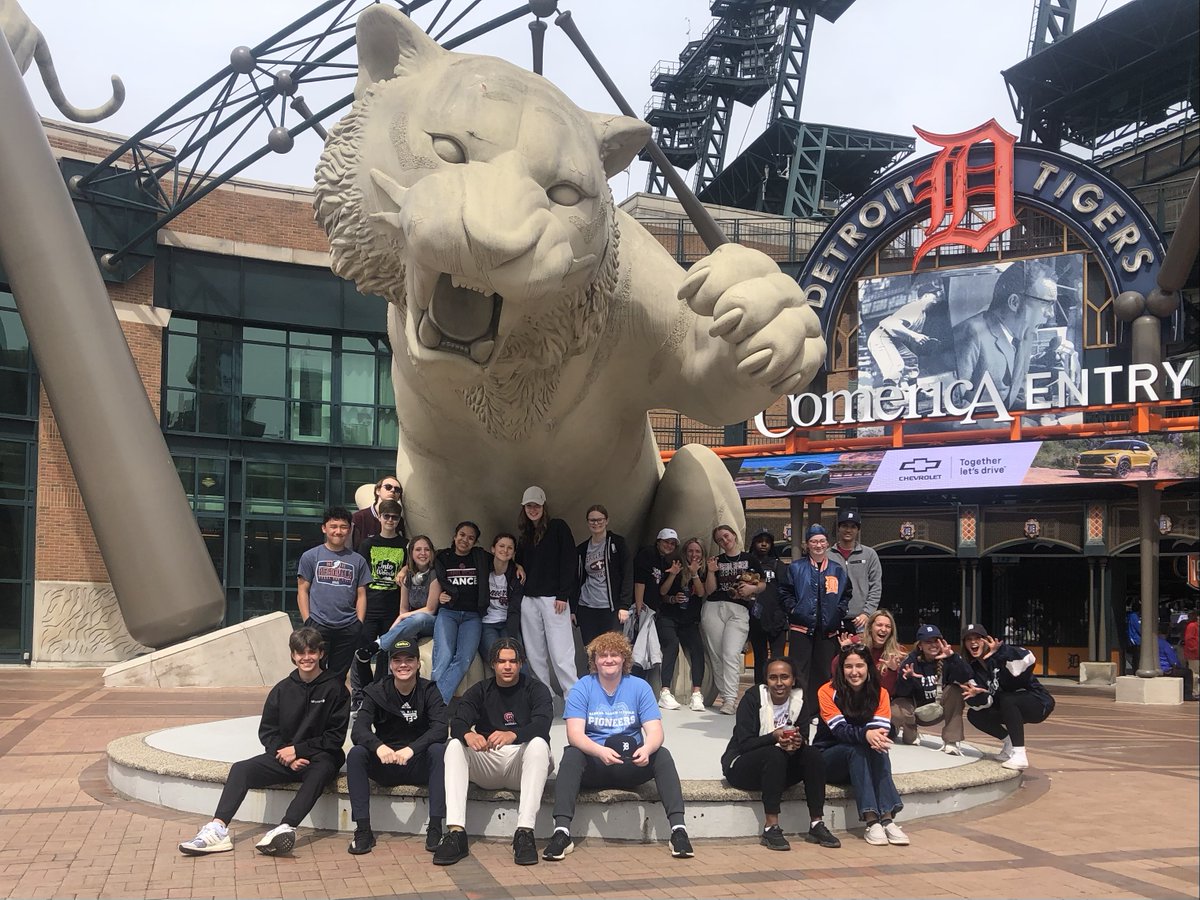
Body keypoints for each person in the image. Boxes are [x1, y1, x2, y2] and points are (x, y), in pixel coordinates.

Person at [178, 627, 349, 856]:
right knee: (241, 769)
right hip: (284, 756)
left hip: (320, 757)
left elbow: (335, 737)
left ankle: (285, 827)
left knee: (321, 770)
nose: (306, 658)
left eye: (311, 652)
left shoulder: (336, 688)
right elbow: (268, 732)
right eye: (300, 653)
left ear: (321, 653)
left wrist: (298, 751)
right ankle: (218, 829)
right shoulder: (282, 690)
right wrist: (286, 757)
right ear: (292, 655)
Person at [543, 632, 693, 861]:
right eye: (603, 655)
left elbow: (655, 732)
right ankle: (561, 832)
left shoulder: (639, 687)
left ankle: (679, 831)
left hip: (630, 763)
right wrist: (599, 750)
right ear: (594, 661)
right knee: (572, 755)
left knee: (662, 755)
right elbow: (574, 735)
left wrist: (647, 748)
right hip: (596, 763)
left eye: (615, 654)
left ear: (625, 659)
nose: (609, 660)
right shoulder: (582, 687)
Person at [433, 637, 554, 867]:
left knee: (538, 744)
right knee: (455, 745)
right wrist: (469, 734)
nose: (507, 666)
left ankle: (525, 834)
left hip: (522, 763)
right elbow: (458, 720)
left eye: (512, 661)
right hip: (489, 761)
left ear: (521, 663)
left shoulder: (536, 689)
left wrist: (513, 734)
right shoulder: (480, 690)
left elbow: (542, 724)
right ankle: (456, 833)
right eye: (501, 661)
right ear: (492, 664)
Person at [721, 657, 841, 851]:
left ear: (793, 680)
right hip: (741, 766)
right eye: (773, 677)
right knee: (773, 754)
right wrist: (774, 737)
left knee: (813, 755)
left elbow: (804, 737)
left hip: (778, 768)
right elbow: (744, 744)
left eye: (784, 677)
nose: (779, 683)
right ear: (766, 680)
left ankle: (816, 823)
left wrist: (796, 743)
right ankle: (771, 826)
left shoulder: (799, 700)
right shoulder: (752, 699)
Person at [346, 638, 448, 855]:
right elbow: (359, 730)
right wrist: (379, 747)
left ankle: (436, 827)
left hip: (417, 763)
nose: (403, 665)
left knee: (439, 750)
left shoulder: (429, 690)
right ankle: (363, 830)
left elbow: (441, 729)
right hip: (386, 763)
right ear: (390, 665)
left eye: (409, 659)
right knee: (356, 754)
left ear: (418, 663)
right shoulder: (376, 691)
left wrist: (412, 749)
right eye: (397, 660)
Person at [814, 645, 908, 846]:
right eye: (848, 666)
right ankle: (872, 819)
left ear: (868, 667)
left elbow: (881, 731)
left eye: (859, 665)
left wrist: (873, 736)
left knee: (877, 745)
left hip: (863, 758)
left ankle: (888, 819)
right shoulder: (826, 691)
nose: (854, 672)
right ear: (841, 668)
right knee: (860, 747)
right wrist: (867, 733)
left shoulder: (880, 693)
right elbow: (840, 731)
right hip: (829, 757)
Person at [954, 259, 1058, 407]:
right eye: (1046, 303)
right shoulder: (971, 332)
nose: (1051, 314)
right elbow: (953, 407)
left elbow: (1016, 400)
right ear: (1014, 302)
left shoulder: (1022, 338)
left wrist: (1046, 414)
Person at [779, 524, 851, 723]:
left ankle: (818, 711)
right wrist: (794, 609)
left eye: (821, 541)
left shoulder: (837, 569)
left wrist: (838, 612)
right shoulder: (796, 568)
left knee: (823, 671)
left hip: (827, 630)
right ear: (807, 544)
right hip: (801, 627)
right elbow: (784, 592)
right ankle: (796, 711)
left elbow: (846, 595)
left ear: (827, 543)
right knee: (799, 671)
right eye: (813, 541)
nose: (818, 545)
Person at [960, 624, 1055, 770]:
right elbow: (986, 702)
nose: (973, 642)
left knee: (1008, 699)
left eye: (978, 638)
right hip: (1010, 707)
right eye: (969, 639)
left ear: (986, 640)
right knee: (974, 714)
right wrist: (979, 695)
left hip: (1038, 702)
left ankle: (1020, 754)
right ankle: (1009, 743)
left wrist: (1000, 652)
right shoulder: (974, 669)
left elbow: (1029, 658)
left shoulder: (1001, 656)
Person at [516, 486, 579, 705]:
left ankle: (573, 696)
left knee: (561, 651)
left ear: (544, 506)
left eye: (536, 505)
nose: (533, 509)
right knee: (534, 653)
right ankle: (545, 697)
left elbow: (569, 561)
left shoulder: (558, 527)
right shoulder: (525, 534)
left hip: (555, 599)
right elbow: (520, 561)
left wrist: (564, 594)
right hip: (529, 599)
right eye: (529, 506)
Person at [297, 507, 370, 683]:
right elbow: (302, 590)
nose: (338, 531)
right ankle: (314, 709)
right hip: (318, 624)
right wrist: (308, 621)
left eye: (343, 527)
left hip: (348, 626)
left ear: (349, 529)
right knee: (314, 672)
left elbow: (361, 595)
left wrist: (358, 623)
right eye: (333, 526)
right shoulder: (310, 556)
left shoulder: (358, 560)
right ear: (324, 528)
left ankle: (333, 709)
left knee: (338, 676)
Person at [702, 524, 766, 714]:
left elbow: (762, 583)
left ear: (734, 536)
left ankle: (730, 699)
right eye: (720, 539)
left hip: (738, 610)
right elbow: (710, 590)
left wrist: (752, 589)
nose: (725, 541)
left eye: (726, 536)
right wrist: (711, 571)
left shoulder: (749, 558)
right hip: (714, 607)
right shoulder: (716, 560)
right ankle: (726, 698)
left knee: (730, 653)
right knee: (716, 655)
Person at [351, 497, 407, 709]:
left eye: (394, 517)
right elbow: (360, 577)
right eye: (387, 516)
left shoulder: (405, 545)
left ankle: (381, 695)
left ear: (399, 519)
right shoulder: (368, 544)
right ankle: (363, 694)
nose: (390, 520)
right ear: (380, 518)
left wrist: (405, 568)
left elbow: (414, 565)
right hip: (370, 606)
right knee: (363, 653)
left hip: (393, 608)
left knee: (386, 654)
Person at [365, 535, 442, 677]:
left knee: (419, 618)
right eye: (418, 549)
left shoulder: (435, 574)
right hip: (413, 622)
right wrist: (402, 620)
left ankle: (378, 644)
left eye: (426, 550)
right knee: (397, 644)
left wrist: (402, 617)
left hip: (432, 622)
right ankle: (386, 684)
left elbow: (430, 610)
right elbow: (404, 608)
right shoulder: (407, 576)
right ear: (411, 553)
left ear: (432, 552)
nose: (423, 553)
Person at [431, 522, 490, 703]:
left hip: (472, 617)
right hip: (448, 613)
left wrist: (517, 566)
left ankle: (434, 704)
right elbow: (419, 562)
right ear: (455, 536)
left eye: (471, 537)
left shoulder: (480, 557)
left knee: (464, 659)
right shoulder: (443, 557)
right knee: (443, 657)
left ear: (475, 542)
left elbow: (503, 560)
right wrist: (404, 569)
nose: (465, 540)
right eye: (462, 535)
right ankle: (434, 705)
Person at [891, 624, 973, 753]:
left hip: (938, 706)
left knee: (955, 690)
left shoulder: (949, 659)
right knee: (895, 708)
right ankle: (910, 733)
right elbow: (900, 693)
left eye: (936, 641)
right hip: (915, 710)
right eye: (928, 642)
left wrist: (953, 657)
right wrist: (907, 678)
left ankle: (951, 741)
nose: (933, 645)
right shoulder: (910, 662)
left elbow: (967, 676)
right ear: (920, 645)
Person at [654, 536, 708, 712]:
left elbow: (700, 593)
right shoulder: (675, 564)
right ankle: (665, 692)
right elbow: (662, 592)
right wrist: (673, 588)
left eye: (697, 551)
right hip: (669, 617)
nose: (694, 554)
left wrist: (694, 574)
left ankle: (696, 694)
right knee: (672, 646)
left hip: (689, 620)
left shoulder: (704, 570)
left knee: (697, 650)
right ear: (685, 552)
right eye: (690, 550)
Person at [866, 278, 947, 387]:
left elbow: (910, 336)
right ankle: (886, 399)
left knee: (911, 361)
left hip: (892, 339)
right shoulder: (915, 307)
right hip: (881, 336)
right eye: (933, 293)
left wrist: (920, 338)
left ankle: (914, 393)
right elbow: (891, 324)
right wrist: (915, 336)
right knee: (896, 367)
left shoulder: (922, 314)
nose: (936, 295)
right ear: (925, 296)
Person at [574, 504, 632, 647]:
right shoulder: (582, 549)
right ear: (588, 522)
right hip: (587, 606)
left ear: (606, 521)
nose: (596, 523)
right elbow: (577, 579)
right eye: (592, 520)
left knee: (612, 649)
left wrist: (624, 605)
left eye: (600, 520)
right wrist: (573, 609)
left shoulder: (617, 543)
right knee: (591, 650)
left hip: (611, 607)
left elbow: (628, 573)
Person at [747, 529, 789, 687]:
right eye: (760, 541)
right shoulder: (749, 565)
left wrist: (785, 613)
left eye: (767, 541)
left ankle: (777, 689)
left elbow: (786, 591)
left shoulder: (779, 565)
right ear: (754, 543)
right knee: (760, 658)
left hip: (777, 618)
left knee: (778, 659)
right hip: (756, 619)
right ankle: (760, 691)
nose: (764, 544)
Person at [832, 511, 881, 633]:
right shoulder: (828, 555)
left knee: (861, 652)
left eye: (853, 527)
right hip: (833, 618)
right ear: (839, 528)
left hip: (861, 620)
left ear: (858, 530)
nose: (848, 530)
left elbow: (875, 586)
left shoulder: (869, 554)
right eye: (844, 526)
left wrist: (867, 613)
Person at [480, 533, 524, 662]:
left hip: (507, 622)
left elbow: (515, 608)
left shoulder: (516, 576)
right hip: (487, 623)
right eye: (501, 546)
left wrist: (512, 638)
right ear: (493, 549)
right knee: (498, 658)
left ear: (514, 552)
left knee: (518, 659)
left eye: (510, 548)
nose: (505, 550)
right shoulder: (482, 569)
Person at [351, 474, 404, 547]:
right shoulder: (359, 518)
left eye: (397, 490)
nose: (393, 490)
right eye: (388, 487)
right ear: (378, 491)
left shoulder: (399, 521)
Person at [1156, 633, 1197, 701]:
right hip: (1166, 669)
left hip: (1158, 668)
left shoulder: (1150, 643)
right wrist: (1178, 665)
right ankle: (1187, 695)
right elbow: (1172, 659)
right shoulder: (1164, 643)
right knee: (1188, 672)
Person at [1183, 611, 1199, 695]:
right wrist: (1195, 649)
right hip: (1194, 655)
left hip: (1195, 653)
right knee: (1194, 673)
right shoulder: (1192, 626)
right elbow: (1189, 639)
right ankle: (1194, 692)